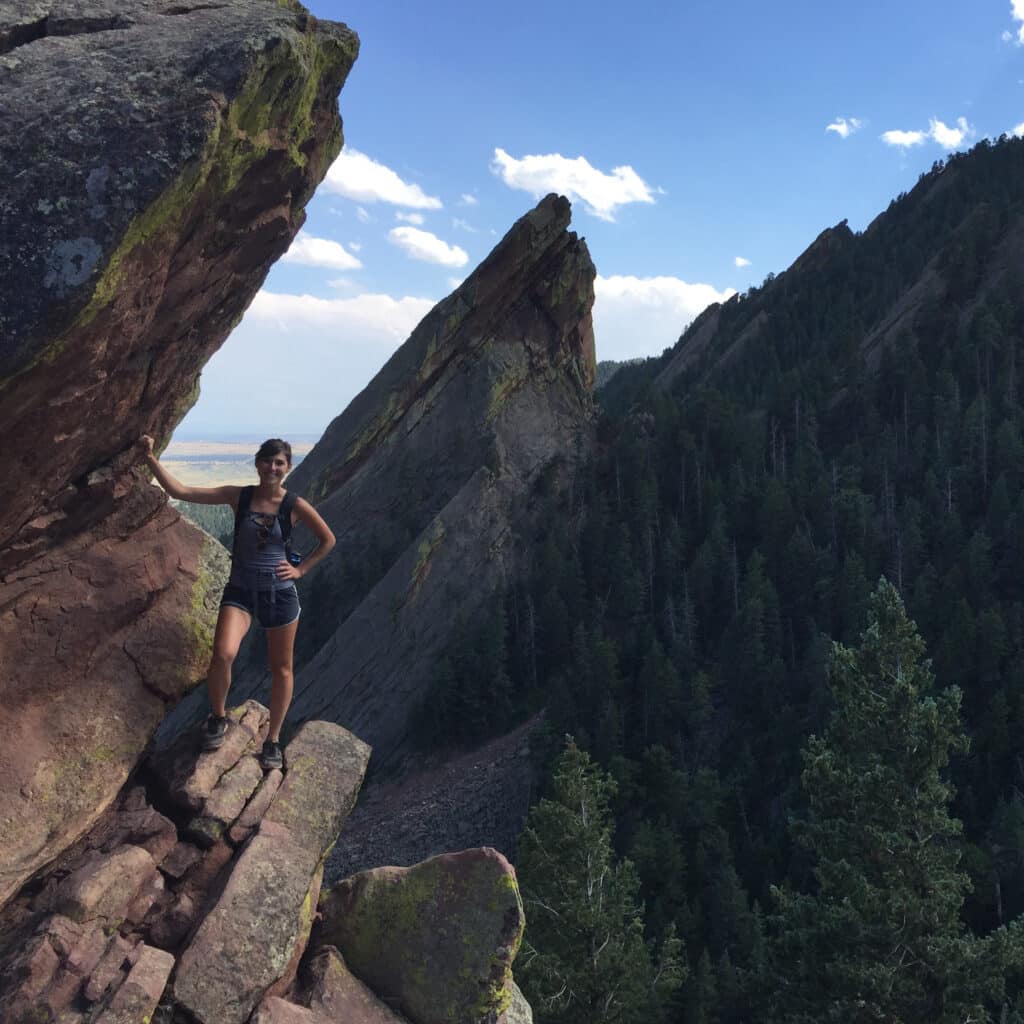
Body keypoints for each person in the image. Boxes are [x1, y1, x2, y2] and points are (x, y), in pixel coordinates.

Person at [137, 434, 336, 770]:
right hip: (241, 591)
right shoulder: (239, 497)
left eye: (279, 463)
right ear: (258, 463)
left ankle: (272, 740)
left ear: (287, 468)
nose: (272, 467)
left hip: (279, 595)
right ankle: (217, 717)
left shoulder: (294, 505)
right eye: (267, 460)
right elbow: (181, 492)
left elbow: (327, 539)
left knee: (282, 669)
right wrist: (149, 458)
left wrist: (300, 570)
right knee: (223, 653)